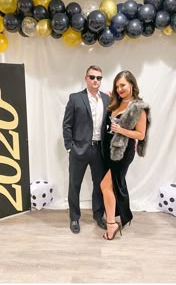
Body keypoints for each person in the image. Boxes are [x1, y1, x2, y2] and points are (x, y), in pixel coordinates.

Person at [100, 70, 151, 240]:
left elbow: (140, 134)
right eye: (117, 86)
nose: (119, 88)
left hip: (123, 153)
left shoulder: (138, 108)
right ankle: (116, 218)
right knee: (113, 185)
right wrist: (112, 98)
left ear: (131, 84)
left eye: (122, 85)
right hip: (109, 151)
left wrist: (121, 130)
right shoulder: (117, 103)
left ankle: (111, 224)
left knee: (105, 186)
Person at [63, 65, 110, 234]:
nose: (95, 80)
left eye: (99, 78)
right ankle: (74, 217)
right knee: (74, 185)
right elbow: (67, 124)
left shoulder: (106, 99)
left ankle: (98, 215)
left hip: (99, 151)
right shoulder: (75, 98)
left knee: (99, 185)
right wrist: (70, 147)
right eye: (92, 77)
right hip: (79, 150)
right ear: (86, 78)